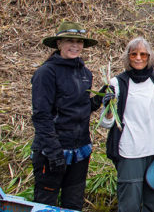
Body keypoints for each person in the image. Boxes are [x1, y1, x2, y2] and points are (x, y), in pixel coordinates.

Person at [31, 21, 105, 211]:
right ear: (58, 44)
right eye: (69, 41)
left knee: (73, 204)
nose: (75, 46)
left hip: (80, 151)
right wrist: (53, 151)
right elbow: (41, 116)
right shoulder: (46, 73)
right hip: (52, 152)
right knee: (45, 204)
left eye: (79, 42)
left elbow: (79, 109)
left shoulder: (85, 73)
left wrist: (99, 99)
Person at [100, 37, 154, 212]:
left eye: (143, 54)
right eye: (134, 54)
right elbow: (106, 123)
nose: (138, 58)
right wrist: (108, 109)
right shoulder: (117, 83)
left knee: (153, 203)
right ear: (128, 57)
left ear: (149, 57)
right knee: (129, 204)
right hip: (129, 152)